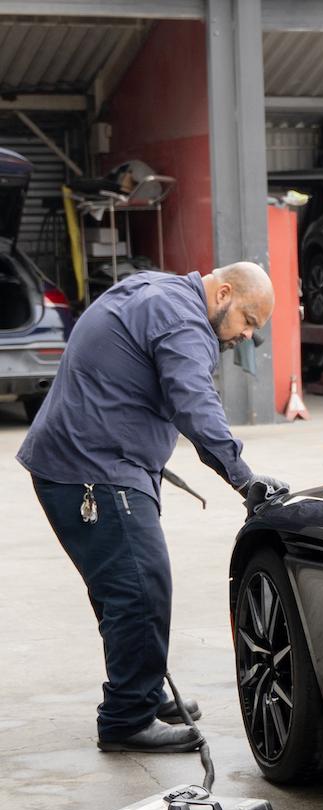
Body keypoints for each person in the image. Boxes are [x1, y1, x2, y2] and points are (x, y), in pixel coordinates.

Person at [16, 262, 288, 753]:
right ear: (224, 292)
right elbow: (195, 405)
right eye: (248, 320)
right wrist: (244, 478)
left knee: (124, 588)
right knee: (140, 590)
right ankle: (126, 720)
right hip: (94, 473)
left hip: (80, 463)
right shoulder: (185, 322)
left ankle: (140, 688)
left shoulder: (155, 288)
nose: (246, 336)